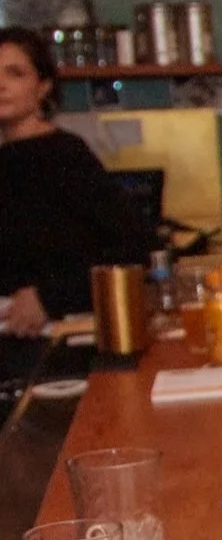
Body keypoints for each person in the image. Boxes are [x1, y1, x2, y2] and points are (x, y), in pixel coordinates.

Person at [0, 26, 156, 367]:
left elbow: (131, 248)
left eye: (15, 73)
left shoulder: (65, 155)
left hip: (59, 349)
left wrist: (47, 298)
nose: (1, 84)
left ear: (43, 87)